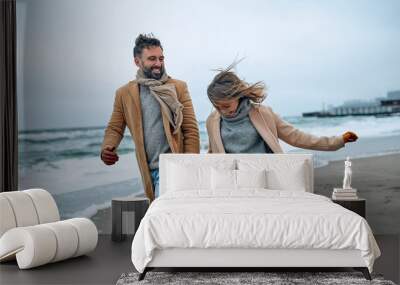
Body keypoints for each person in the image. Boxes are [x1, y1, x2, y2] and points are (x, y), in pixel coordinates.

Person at [101, 34, 200, 202]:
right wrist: (107, 148)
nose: (158, 64)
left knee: (163, 216)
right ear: (137, 62)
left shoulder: (178, 87)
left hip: (175, 167)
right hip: (148, 170)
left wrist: (190, 164)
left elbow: (190, 128)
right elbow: (115, 127)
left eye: (161, 58)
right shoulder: (124, 93)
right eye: (152, 59)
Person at [206, 63, 358, 154]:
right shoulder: (212, 121)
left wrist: (338, 141)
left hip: (264, 178)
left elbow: (296, 137)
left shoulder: (263, 114)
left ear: (238, 95)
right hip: (230, 184)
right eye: (217, 107)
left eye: (226, 106)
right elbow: (213, 155)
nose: (223, 111)